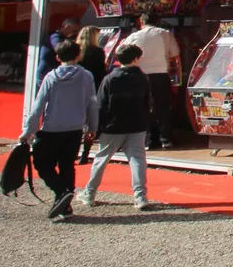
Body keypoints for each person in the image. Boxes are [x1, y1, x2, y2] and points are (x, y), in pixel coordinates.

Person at [21, 39, 98, 221]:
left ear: (57, 57)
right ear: (78, 56)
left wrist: (28, 130)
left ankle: (61, 192)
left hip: (51, 128)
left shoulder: (51, 77)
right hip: (75, 128)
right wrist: (92, 126)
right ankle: (65, 200)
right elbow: (92, 103)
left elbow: (38, 106)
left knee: (42, 164)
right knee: (67, 165)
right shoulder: (86, 76)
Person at [81, 43, 155, 211]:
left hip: (112, 125)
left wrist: (95, 127)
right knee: (137, 159)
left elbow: (101, 105)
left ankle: (90, 193)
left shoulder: (110, 79)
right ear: (135, 59)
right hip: (137, 124)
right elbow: (147, 103)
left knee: (101, 158)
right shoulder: (142, 78)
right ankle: (140, 196)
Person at [123, 13, 181, 149]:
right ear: (158, 21)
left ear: (141, 22)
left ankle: (147, 140)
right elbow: (175, 52)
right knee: (162, 106)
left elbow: (123, 52)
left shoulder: (133, 36)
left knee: (142, 106)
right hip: (160, 73)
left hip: (140, 74)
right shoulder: (165, 34)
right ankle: (165, 139)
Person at [75, 26, 109, 163]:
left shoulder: (76, 50)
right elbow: (101, 72)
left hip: (77, 88)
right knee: (90, 121)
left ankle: (74, 151)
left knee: (78, 121)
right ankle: (85, 153)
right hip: (93, 87)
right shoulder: (97, 52)